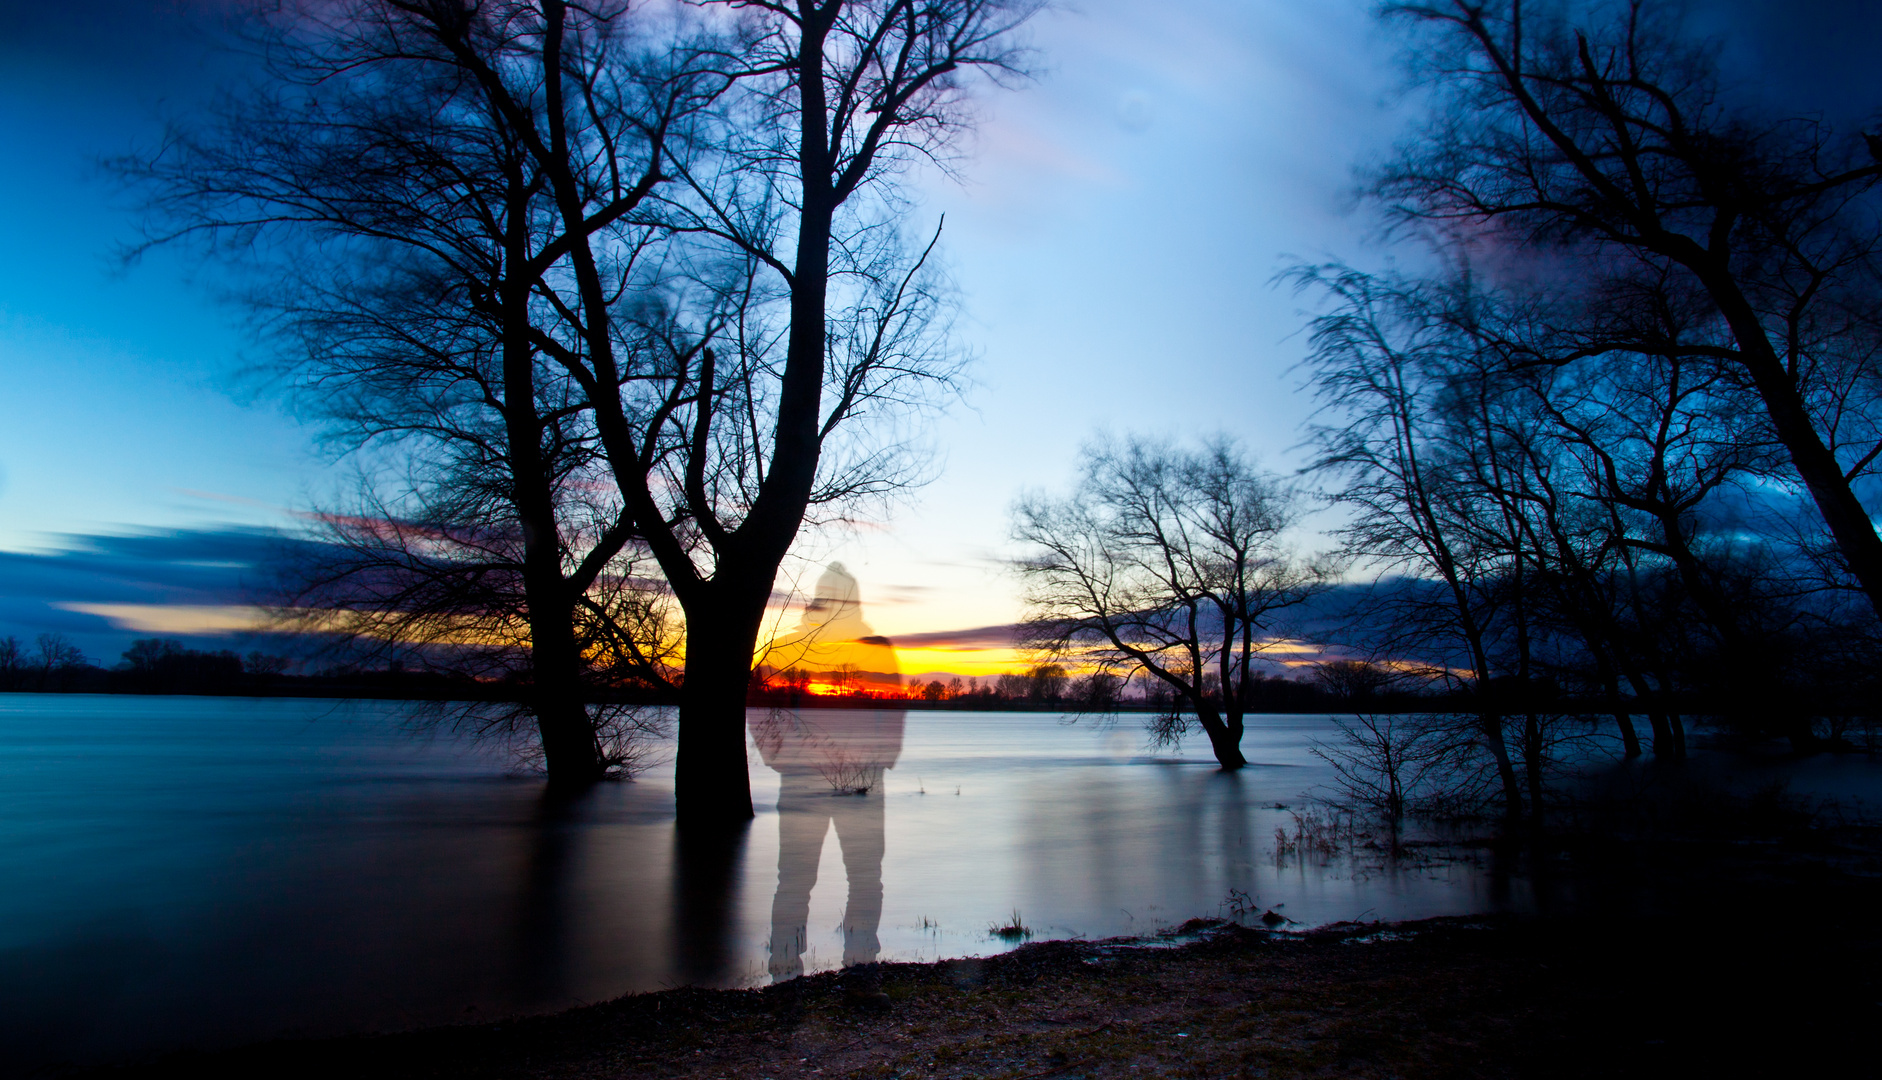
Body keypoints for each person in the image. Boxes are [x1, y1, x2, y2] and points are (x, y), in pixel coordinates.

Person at [750, 564, 904, 984]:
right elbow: (763, 713)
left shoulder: (874, 649)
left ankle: (848, 966)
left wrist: (875, 761)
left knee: (853, 876)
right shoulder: (786, 650)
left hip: (858, 785)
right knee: (805, 878)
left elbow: (890, 714)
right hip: (810, 784)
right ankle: (792, 969)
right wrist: (788, 760)